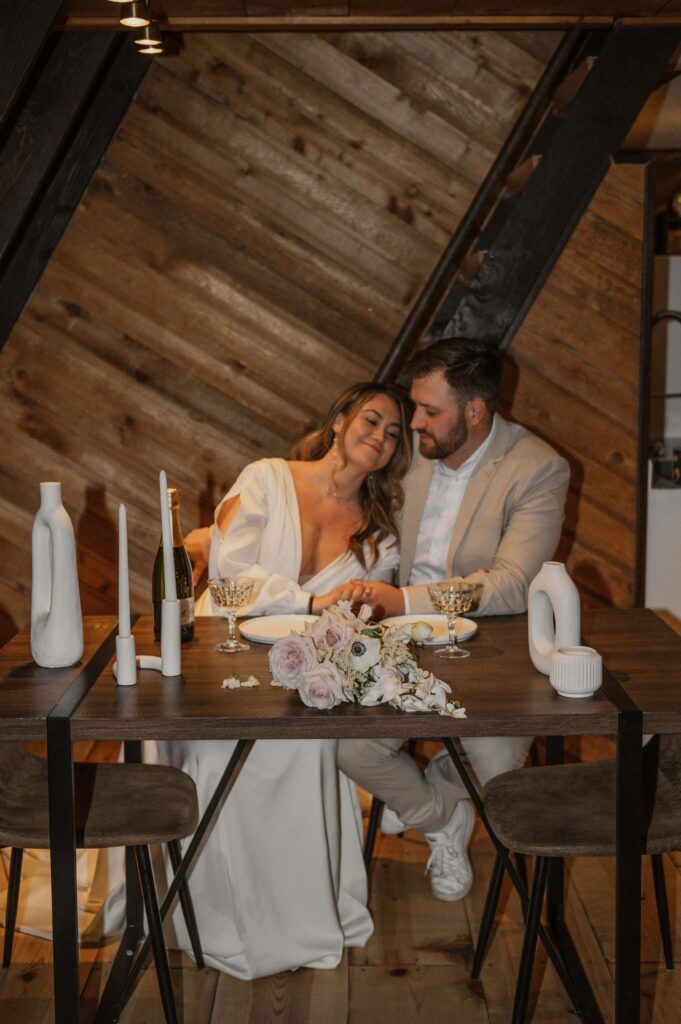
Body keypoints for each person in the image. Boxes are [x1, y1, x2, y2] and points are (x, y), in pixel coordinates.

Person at [154, 382, 413, 979]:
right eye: (372, 420)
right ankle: (211, 914)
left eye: (393, 433)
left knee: (305, 749)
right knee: (228, 757)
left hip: (304, 676)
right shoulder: (267, 477)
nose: (380, 437)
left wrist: (353, 610)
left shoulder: (382, 534)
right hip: (223, 660)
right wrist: (308, 598)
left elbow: (358, 618)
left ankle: (297, 915)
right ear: (341, 417)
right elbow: (227, 569)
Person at [336, 339, 570, 903]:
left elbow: (513, 584)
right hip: (394, 642)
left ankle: (443, 779)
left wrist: (405, 599)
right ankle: (442, 818)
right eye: (413, 407)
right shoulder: (410, 447)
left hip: (492, 648)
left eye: (429, 411)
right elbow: (326, 476)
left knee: (496, 774)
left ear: (475, 410)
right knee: (350, 749)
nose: (411, 422)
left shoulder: (538, 468)